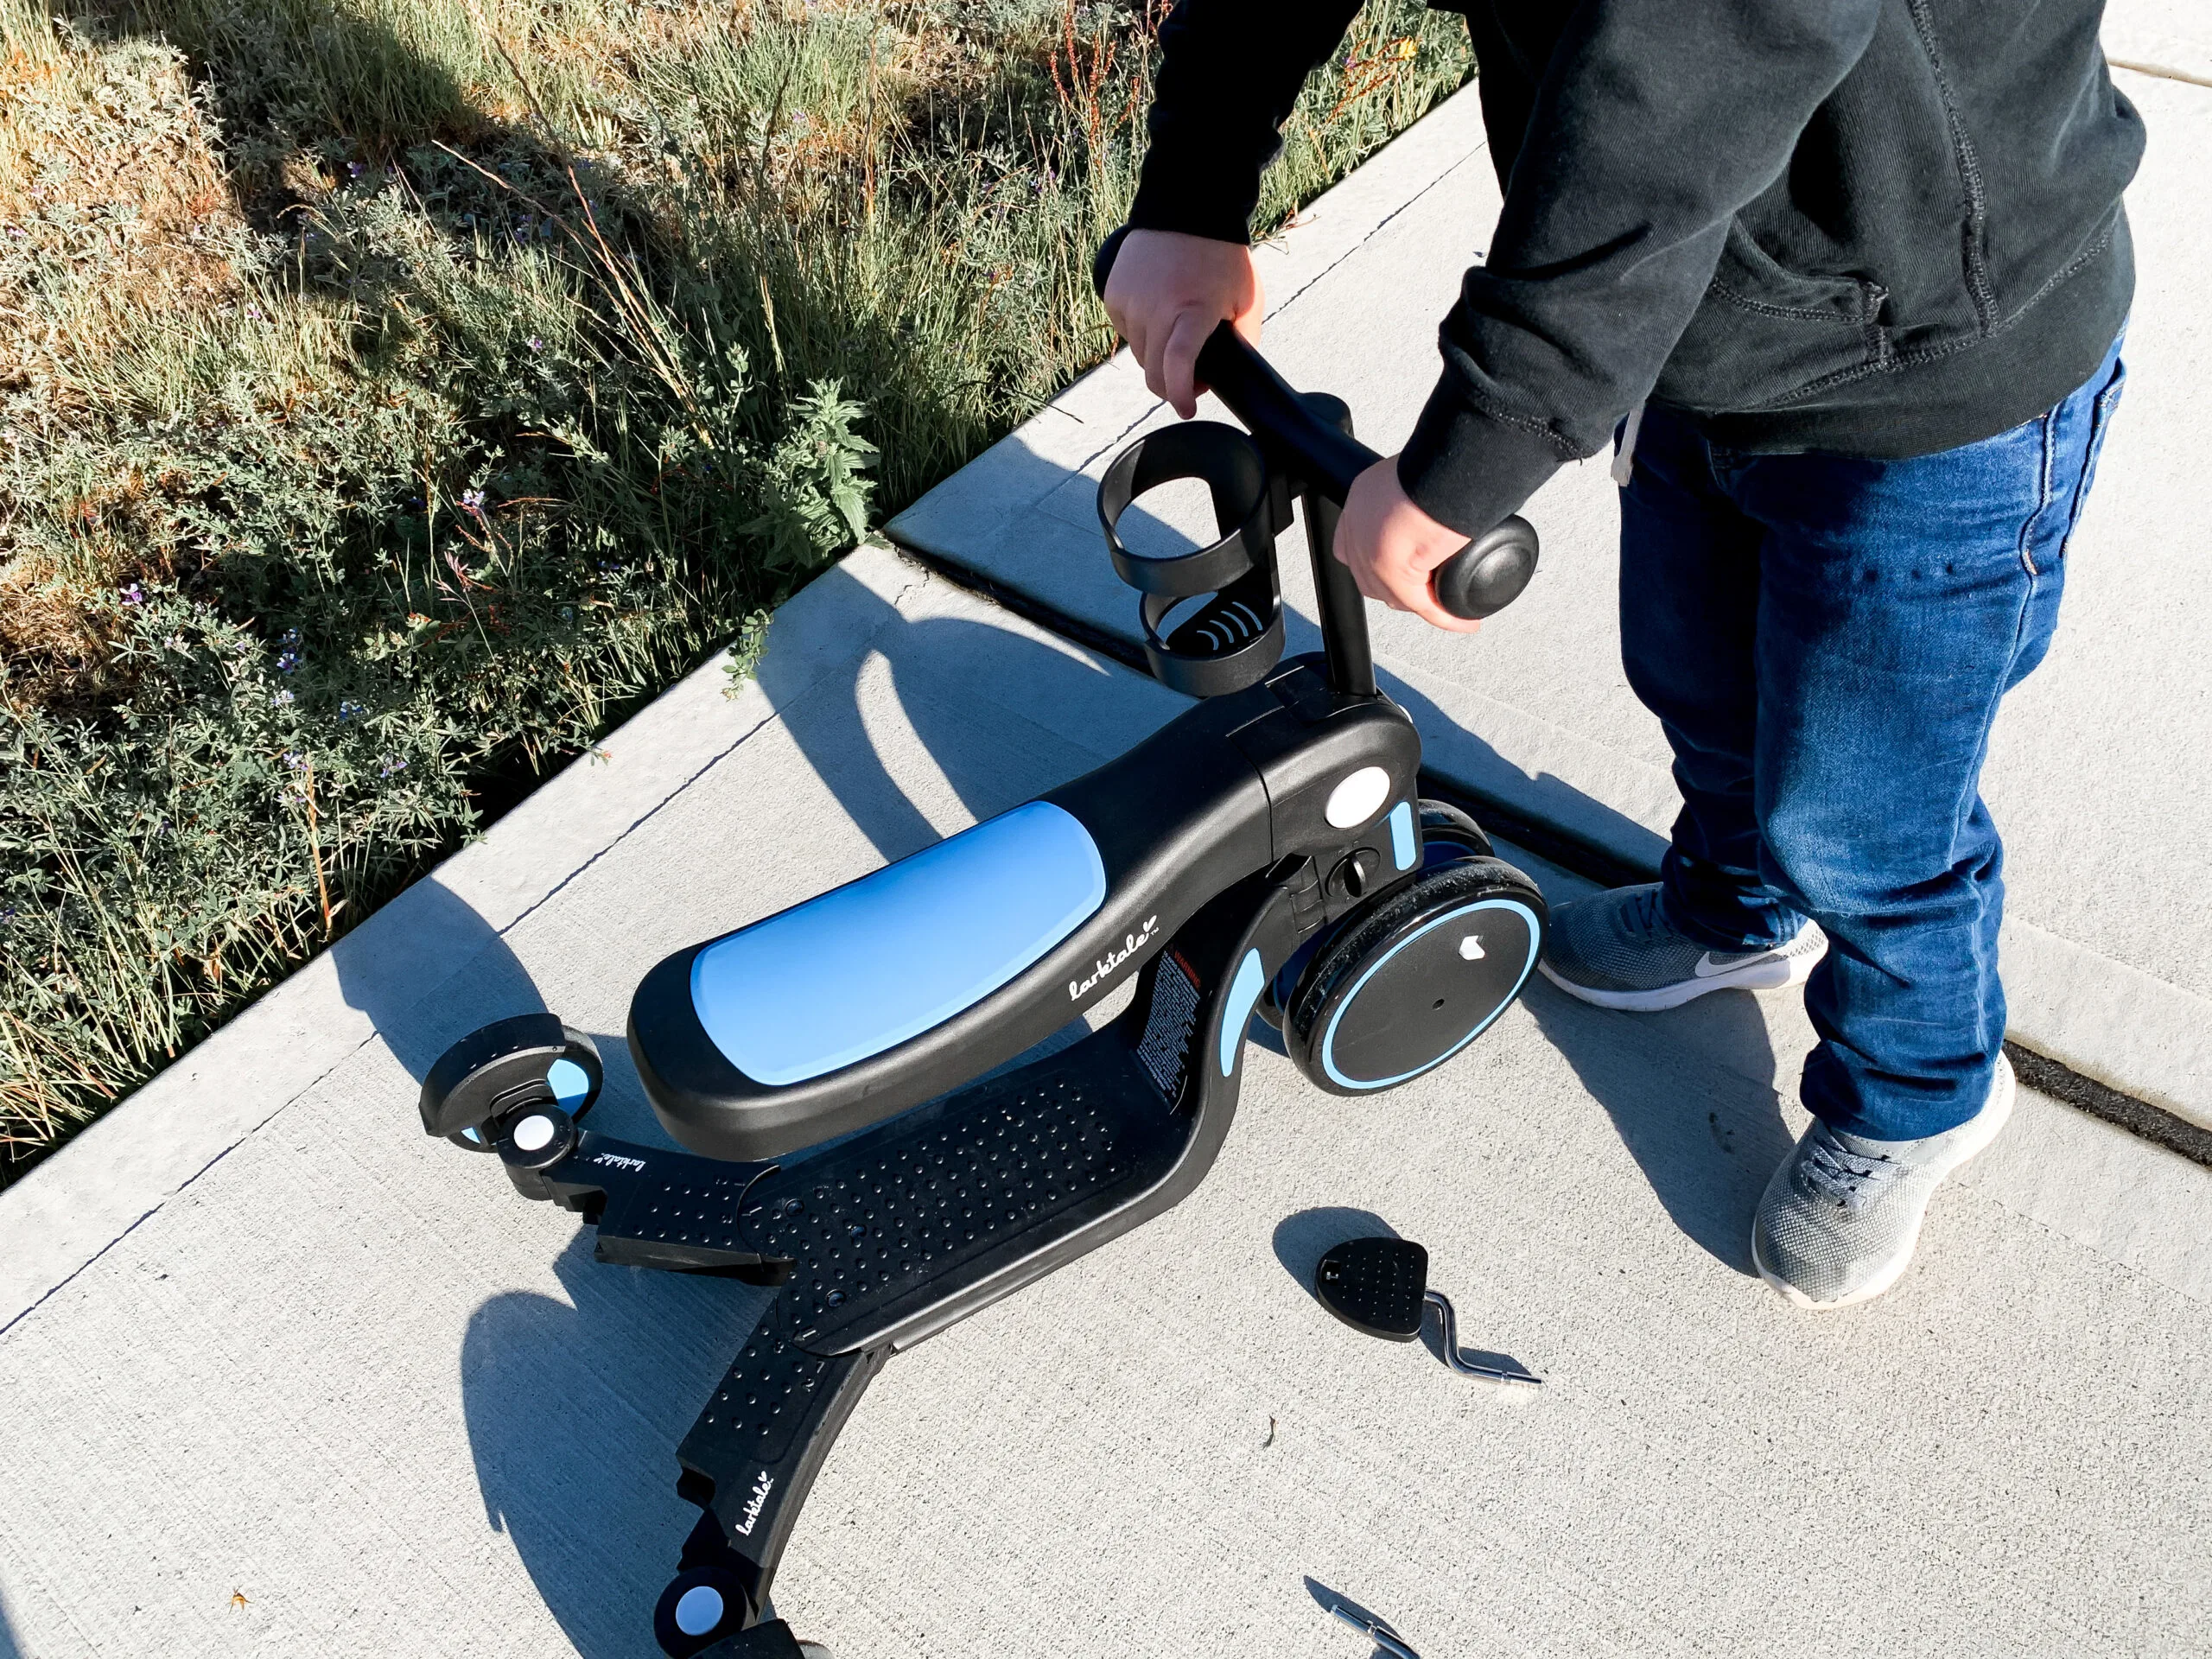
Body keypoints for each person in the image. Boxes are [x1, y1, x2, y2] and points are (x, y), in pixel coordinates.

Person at [1103, 0, 2142, 1308]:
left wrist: (1487, 436)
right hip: (1696, 331)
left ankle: (1921, 1086)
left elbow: (1706, 43)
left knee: (1866, 814)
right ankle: (1737, 910)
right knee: (1695, 677)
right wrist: (1195, 186)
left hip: (1938, 369)